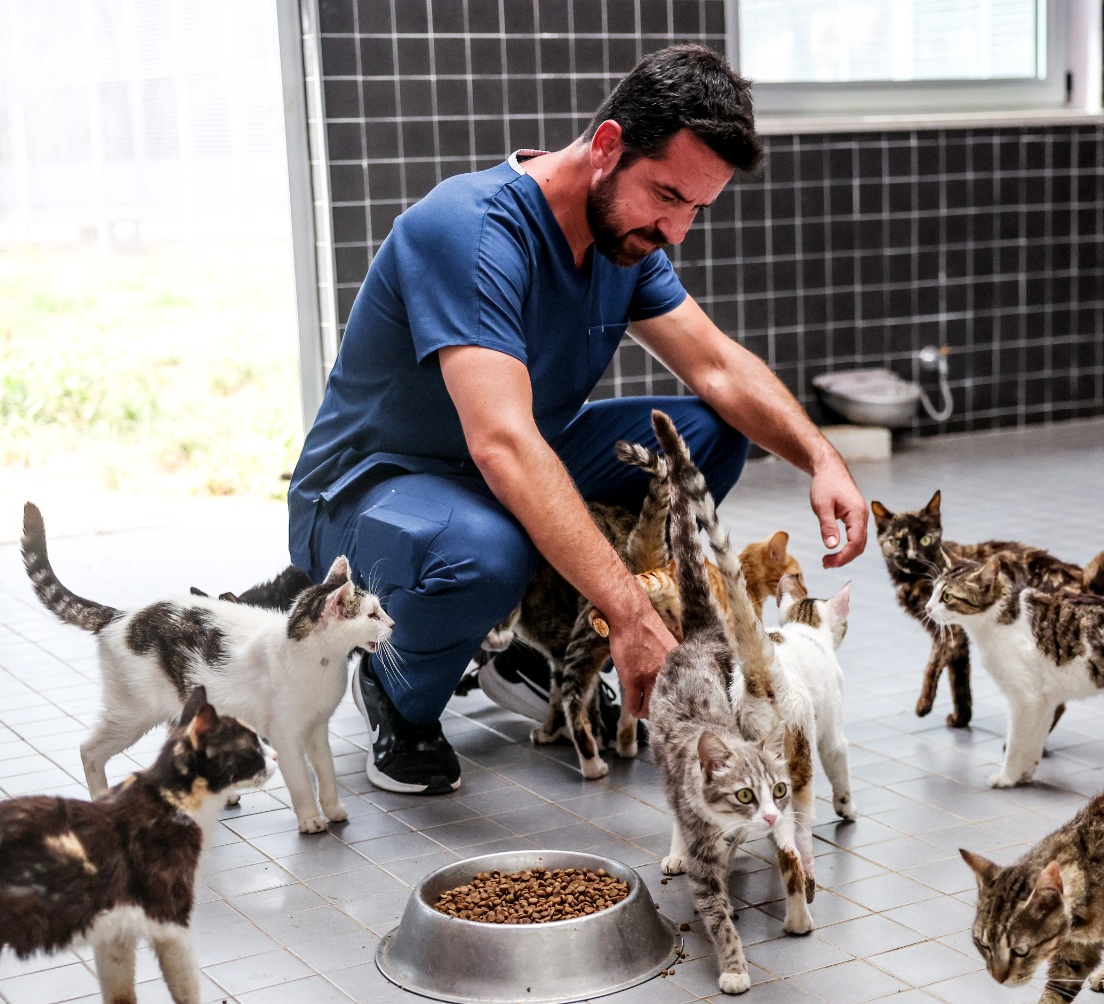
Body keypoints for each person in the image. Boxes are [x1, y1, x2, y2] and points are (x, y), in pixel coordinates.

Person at [288, 44, 868, 795]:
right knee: (487, 554)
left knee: (702, 442)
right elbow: (501, 444)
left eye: (695, 208)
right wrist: (629, 612)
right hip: (375, 489)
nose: (678, 230)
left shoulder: (622, 243)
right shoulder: (470, 230)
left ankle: (538, 641)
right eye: (667, 197)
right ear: (606, 148)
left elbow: (718, 368)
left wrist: (821, 458)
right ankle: (398, 693)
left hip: (511, 459)